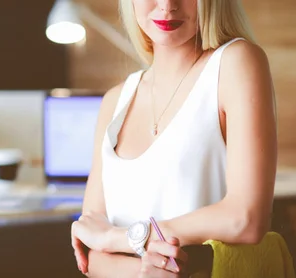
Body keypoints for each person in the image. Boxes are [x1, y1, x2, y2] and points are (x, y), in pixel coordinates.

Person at [70, 0, 277, 277]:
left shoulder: (235, 63)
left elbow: (246, 219)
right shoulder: (114, 102)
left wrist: (123, 238)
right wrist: (148, 271)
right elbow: (92, 252)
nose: (167, 6)